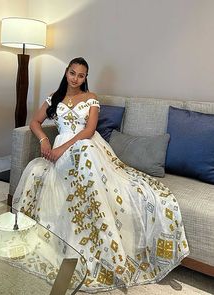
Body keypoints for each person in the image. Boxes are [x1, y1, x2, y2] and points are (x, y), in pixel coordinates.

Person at [12, 57, 189, 292]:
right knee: (37, 169)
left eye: (81, 75)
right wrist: (44, 140)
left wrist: (62, 148)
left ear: (86, 77)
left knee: (84, 151)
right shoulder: (54, 97)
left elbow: (89, 129)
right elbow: (35, 121)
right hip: (60, 148)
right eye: (72, 73)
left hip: (84, 144)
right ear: (66, 72)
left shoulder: (91, 97)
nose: (75, 78)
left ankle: (94, 227)